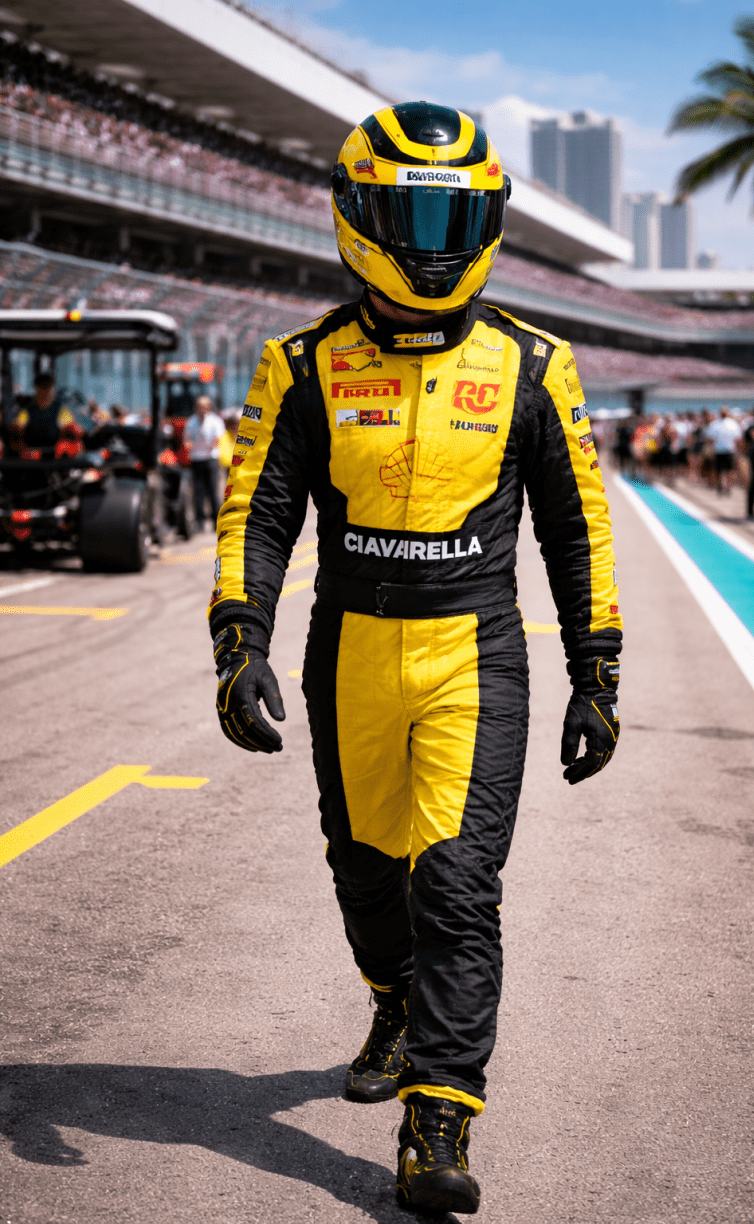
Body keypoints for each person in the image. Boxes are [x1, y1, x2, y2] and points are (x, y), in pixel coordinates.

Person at [208, 103, 622, 1218]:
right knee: (365, 872)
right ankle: (392, 1003)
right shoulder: (301, 364)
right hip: (348, 650)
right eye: (414, 216)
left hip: (474, 655)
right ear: (359, 215)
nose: (436, 245)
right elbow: (258, 511)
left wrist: (598, 670)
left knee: (457, 884)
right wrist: (238, 639)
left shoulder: (535, 363)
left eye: (457, 218)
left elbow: (577, 525)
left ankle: (439, 1115)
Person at [10, 372, 83, 458]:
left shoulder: (61, 410)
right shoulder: (27, 411)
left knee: (74, 445)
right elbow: (16, 428)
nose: (45, 393)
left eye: (47, 388)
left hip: (56, 453)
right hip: (31, 452)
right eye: (42, 388)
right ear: (37, 390)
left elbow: (73, 430)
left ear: (52, 390)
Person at [184, 394, 225, 531]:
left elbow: (218, 438)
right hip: (197, 459)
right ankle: (200, 522)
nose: (201, 409)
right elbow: (187, 439)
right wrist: (189, 445)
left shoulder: (215, 421)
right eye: (199, 406)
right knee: (198, 492)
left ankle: (216, 521)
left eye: (204, 406)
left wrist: (211, 444)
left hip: (210, 459)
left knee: (213, 491)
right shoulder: (191, 422)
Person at [705, 406, 742, 495]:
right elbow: (737, 439)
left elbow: (710, 439)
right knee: (723, 471)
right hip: (722, 450)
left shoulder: (717, 424)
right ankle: (723, 487)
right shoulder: (729, 424)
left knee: (726, 471)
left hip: (726, 450)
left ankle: (725, 487)